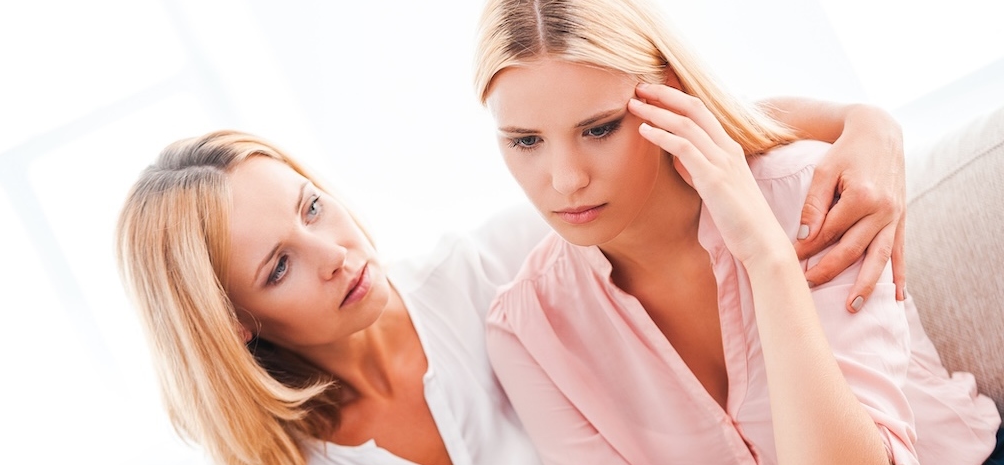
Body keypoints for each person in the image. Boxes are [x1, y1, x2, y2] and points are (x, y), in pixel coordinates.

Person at [117, 115, 906, 461]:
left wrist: (868, 126)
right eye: (278, 266)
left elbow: (686, 140)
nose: (334, 252)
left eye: (313, 206)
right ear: (238, 324)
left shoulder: (493, 271)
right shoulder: (282, 457)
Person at [473, 0, 1002, 464]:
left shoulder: (805, 194)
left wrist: (768, 260)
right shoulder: (527, 329)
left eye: (599, 129)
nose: (566, 181)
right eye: (524, 142)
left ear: (668, 94)